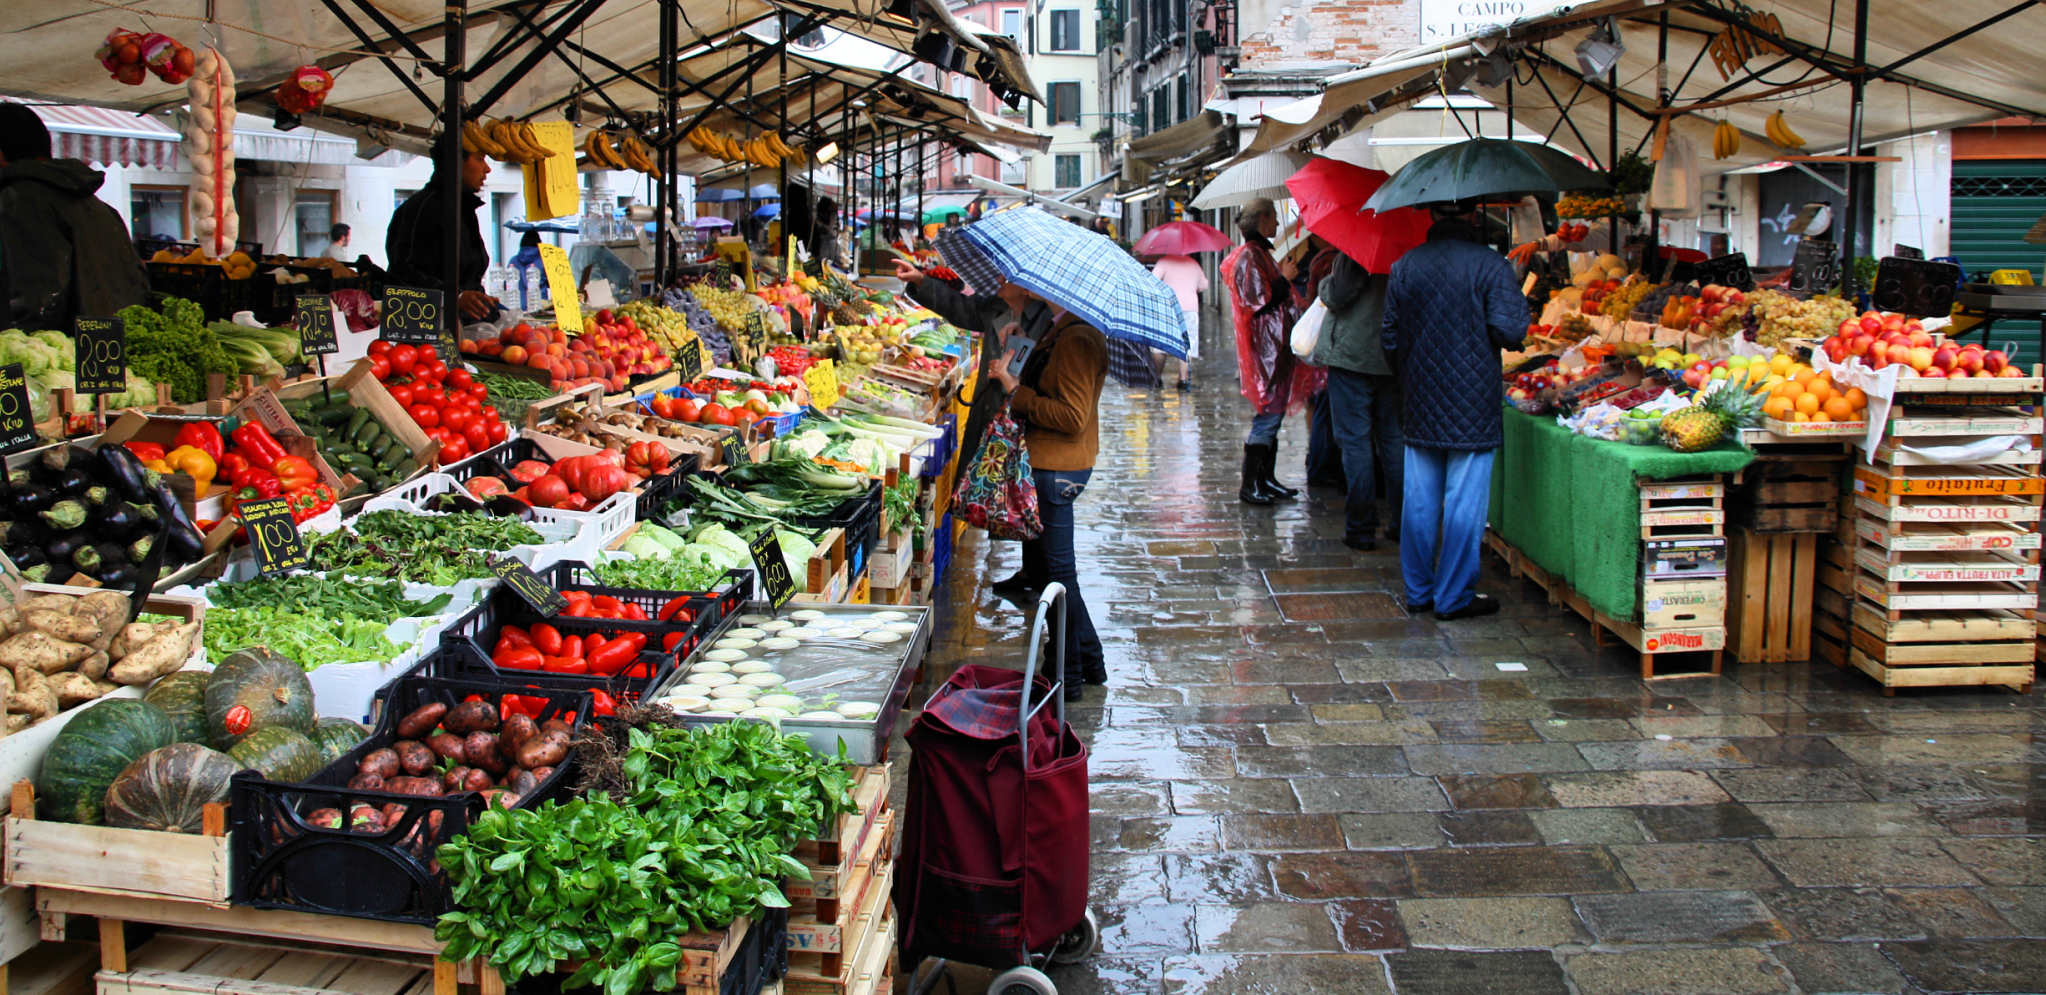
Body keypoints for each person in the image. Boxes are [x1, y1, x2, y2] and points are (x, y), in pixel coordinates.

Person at [1382, 200, 1528, 620]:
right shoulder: (1490, 265)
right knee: (1465, 503)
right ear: (1472, 217)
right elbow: (1511, 329)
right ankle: (1453, 596)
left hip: (1419, 396)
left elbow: (1389, 337)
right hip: (1473, 400)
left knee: (1420, 500)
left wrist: (1410, 374)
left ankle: (1419, 591)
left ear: (1430, 217)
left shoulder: (1406, 265)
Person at [891, 256, 1053, 598]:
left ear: (1025, 287)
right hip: (996, 413)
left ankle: (1039, 573)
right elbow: (958, 307)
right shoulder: (995, 307)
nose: (998, 280)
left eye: (1005, 277)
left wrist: (1010, 376)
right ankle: (1030, 570)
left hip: (1028, 416)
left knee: (1029, 491)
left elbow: (1045, 373)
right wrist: (920, 280)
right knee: (1013, 488)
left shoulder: (1048, 321)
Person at [988, 296, 1108, 701]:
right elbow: (1052, 379)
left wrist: (1014, 390)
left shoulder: (1078, 338)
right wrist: (1026, 345)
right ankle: (1089, 661)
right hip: (1053, 465)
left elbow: (1071, 416)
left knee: (1057, 576)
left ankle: (1065, 678)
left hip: (1057, 469)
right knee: (1051, 572)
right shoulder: (1066, 329)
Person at [0, 104, 150, 331]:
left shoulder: (21, 198)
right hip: (106, 352)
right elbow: (138, 285)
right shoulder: (97, 206)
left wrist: (19, 350)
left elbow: (37, 301)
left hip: (60, 355)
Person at [1316, 251, 1404, 552]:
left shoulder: (1359, 247)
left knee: (1355, 443)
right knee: (1393, 442)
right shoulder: (1408, 246)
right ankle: (1403, 523)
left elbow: (1338, 294)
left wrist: (1325, 283)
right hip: (1391, 355)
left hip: (1353, 356)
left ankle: (1361, 527)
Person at [1222, 197, 1303, 505]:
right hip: (1267, 348)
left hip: (1277, 346)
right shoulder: (1250, 257)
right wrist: (1286, 280)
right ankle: (1250, 484)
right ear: (1261, 220)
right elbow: (1258, 302)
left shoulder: (1260, 254)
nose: (1279, 224)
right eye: (1273, 218)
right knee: (1268, 412)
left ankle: (1266, 479)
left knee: (1275, 411)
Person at [386, 131, 497, 321]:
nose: (487, 169)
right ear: (455, 163)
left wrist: (479, 300)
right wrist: (455, 297)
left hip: (467, 329)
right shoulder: (421, 209)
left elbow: (466, 274)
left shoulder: (463, 208)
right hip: (430, 328)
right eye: (480, 159)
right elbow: (403, 272)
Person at [1149, 252, 1205, 390]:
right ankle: (1183, 379)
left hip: (1167, 307)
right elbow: (1203, 285)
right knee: (1187, 343)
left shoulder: (1163, 262)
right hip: (1189, 309)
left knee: (1160, 344)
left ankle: (1157, 378)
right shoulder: (1194, 264)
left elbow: (1152, 282)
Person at [509, 231, 543, 311]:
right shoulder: (544, 261)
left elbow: (505, 284)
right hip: (539, 307)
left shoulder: (513, 261)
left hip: (516, 307)